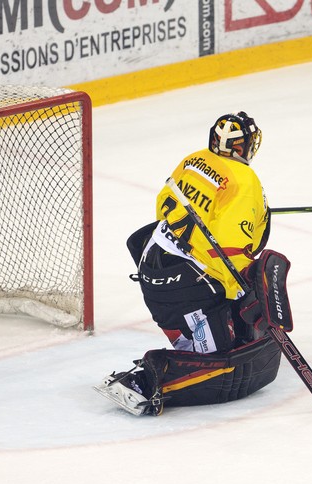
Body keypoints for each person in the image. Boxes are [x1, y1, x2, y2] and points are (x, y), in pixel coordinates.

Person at [95, 111, 294, 416]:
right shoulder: (245, 180)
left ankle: (190, 342)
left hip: (154, 267)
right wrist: (242, 293)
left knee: (229, 337)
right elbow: (229, 249)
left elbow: (164, 204)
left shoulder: (193, 159)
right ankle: (147, 380)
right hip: (188, 284)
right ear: (245, 146)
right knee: (228, 364)